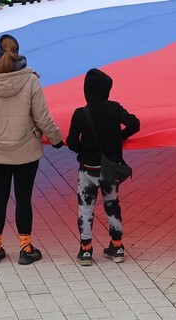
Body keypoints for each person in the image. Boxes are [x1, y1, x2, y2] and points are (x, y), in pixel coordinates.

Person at [0, 34, 64, 265]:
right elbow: (42, 117)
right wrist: (56, 139)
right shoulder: (31, 80)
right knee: (23, 199)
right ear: (18, 52)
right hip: (25, 149)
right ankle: (25, 249)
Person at [66, 68, 140, 267]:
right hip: (109, 171)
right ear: (106, 90)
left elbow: (72, 142)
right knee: (112, 205)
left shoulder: (80, 114)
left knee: (86, 209)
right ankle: (117, 247)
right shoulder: (114, 108)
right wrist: (120, 138)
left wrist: (83, 149)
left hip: (87, 170)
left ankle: (86, 250)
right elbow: (135, 124)